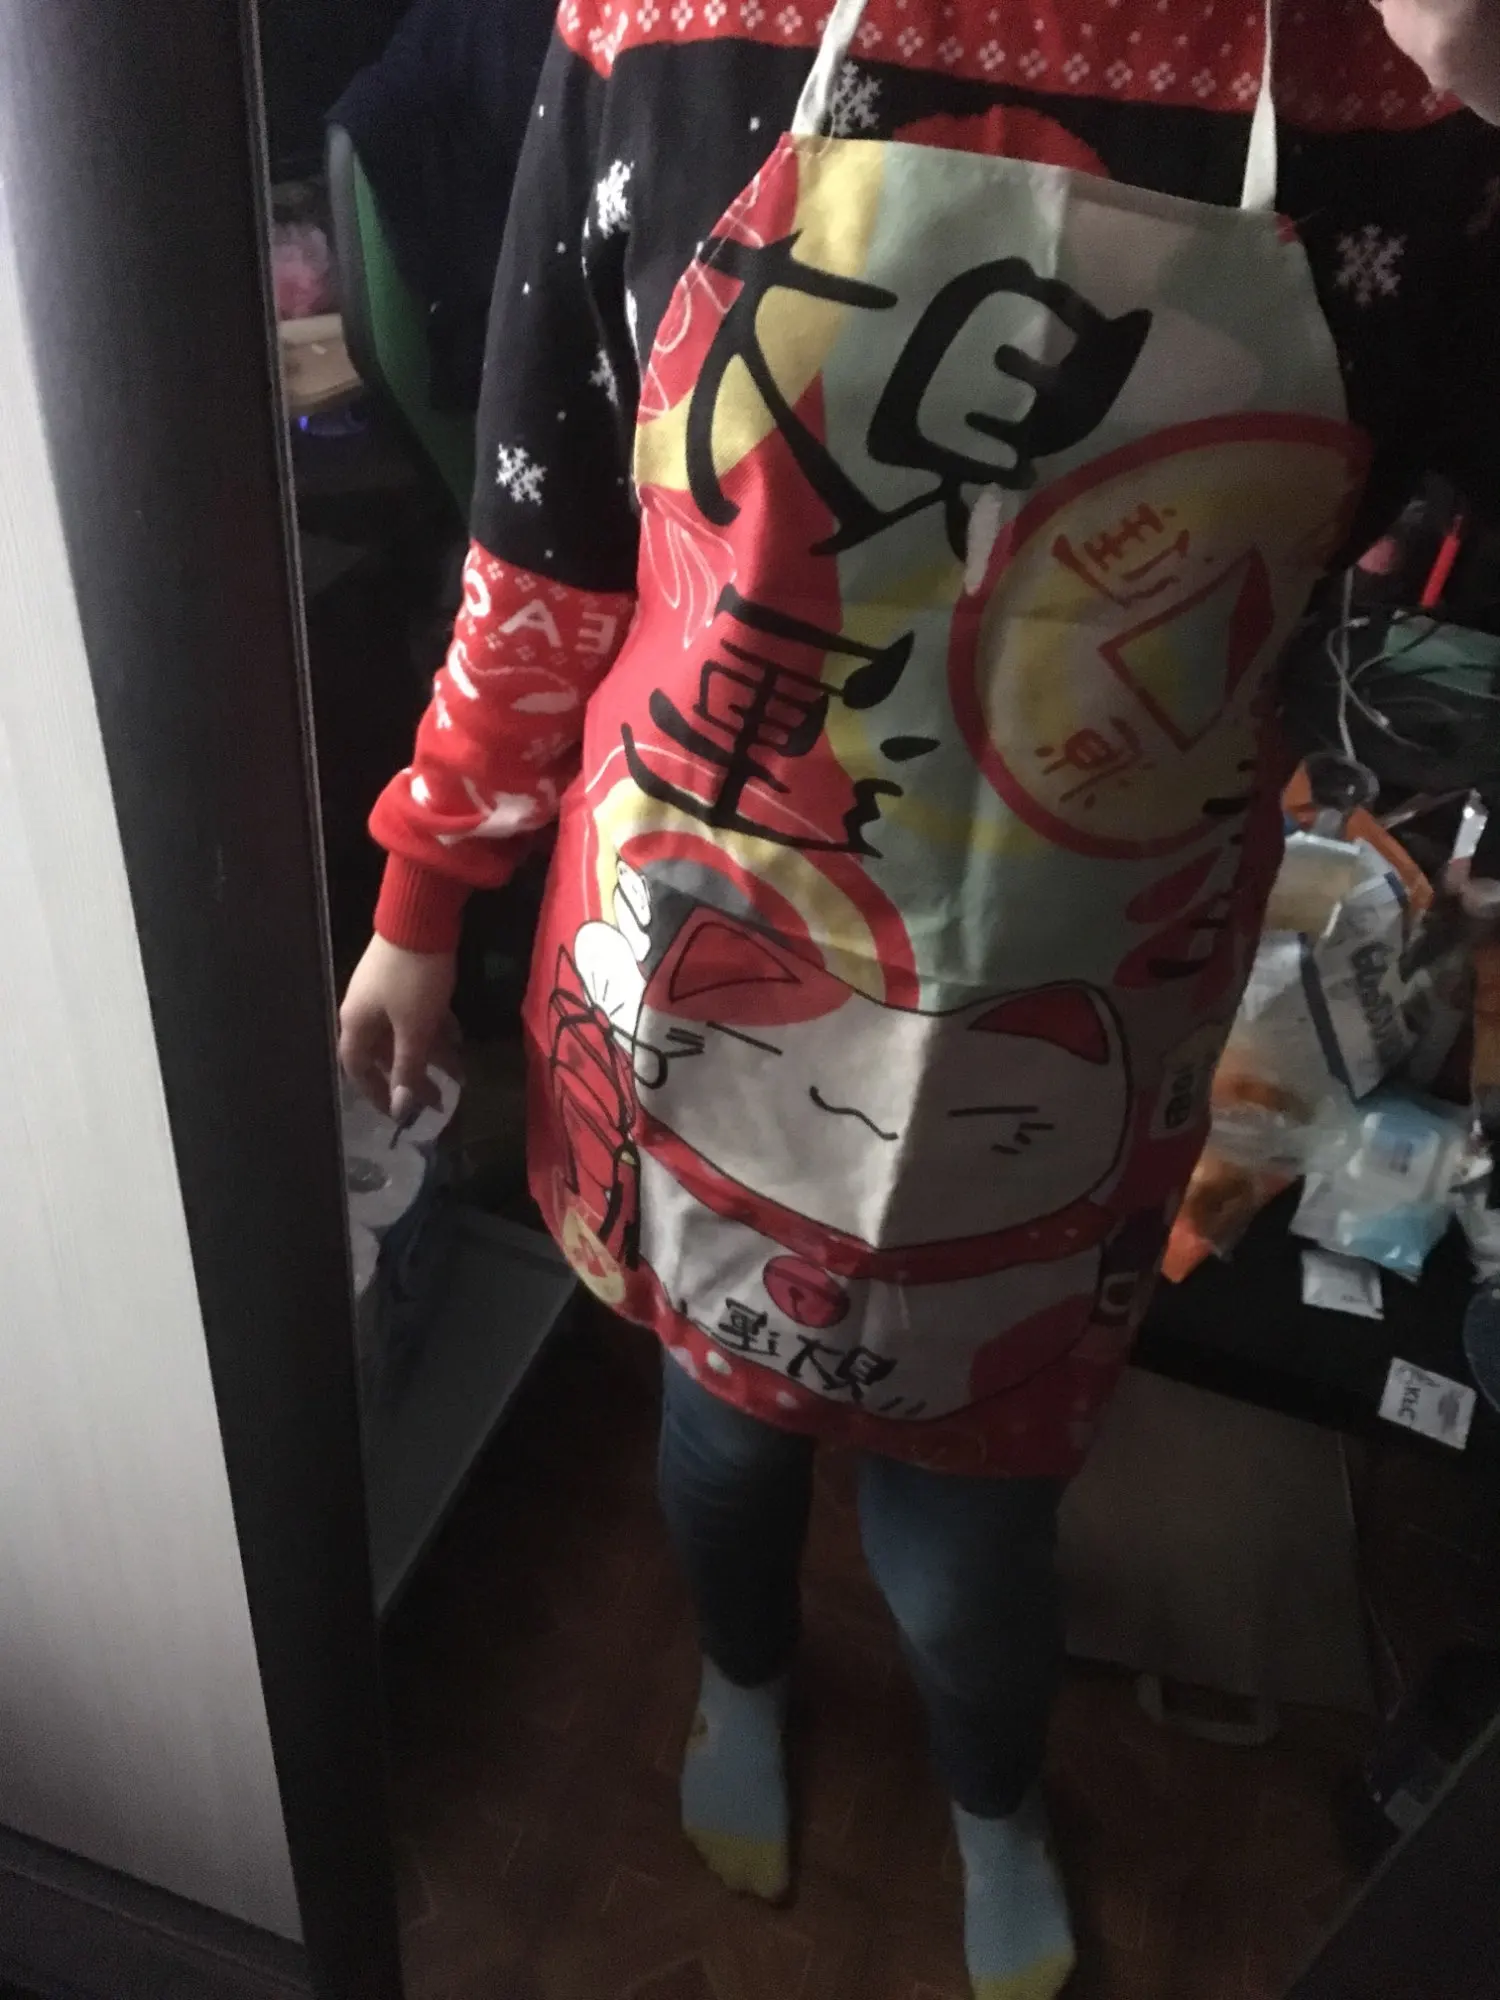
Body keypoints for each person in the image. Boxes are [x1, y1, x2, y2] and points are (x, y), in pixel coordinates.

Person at [341, 1, 1500, 1991]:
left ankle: (990, 1788)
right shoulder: (670, 21)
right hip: (713, 941)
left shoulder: (1396, 75)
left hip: (1082, 988)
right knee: (721, 1424)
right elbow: (546, 532)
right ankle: (743, 1677)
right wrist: (426, 888)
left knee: (976, 1521)